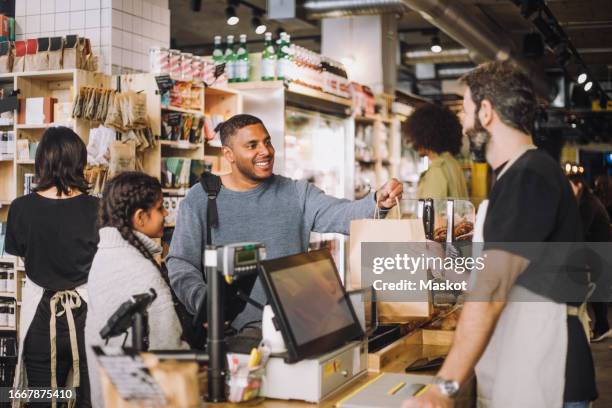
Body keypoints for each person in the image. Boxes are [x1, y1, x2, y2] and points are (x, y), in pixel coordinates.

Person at [403, 61, 596, 408]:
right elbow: (508, 278)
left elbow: (492, 291)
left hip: (549, 369)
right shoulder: (516, 175)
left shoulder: (528, 177)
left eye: (466, 111)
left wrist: (442, 389)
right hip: (529, 356)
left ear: (487, 112)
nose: (462, 126)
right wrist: (445, 266)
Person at [167, 114, 403, 330]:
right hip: (232, 336)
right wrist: (206, 304)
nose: (266, 151)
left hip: (297, 330)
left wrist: (377, 202)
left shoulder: (296, 192)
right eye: (252, 145)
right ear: (228, 154)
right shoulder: (202, 198)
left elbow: (340, 213)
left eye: (267, 142)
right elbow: (181, 263)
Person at [5, 127, 98, 407]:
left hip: (40, 316)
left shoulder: (20, 207)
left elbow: (19, 253)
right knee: (89, 396)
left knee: (42, 396)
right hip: (89, 313)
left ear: (41, 161)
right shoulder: (98, 208)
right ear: (79, 161)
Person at [85, 172, 184, 408]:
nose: (166, 214)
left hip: (110, 392)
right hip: (138, 396)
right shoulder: (140, 270)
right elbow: (168, 347)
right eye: (160, 208)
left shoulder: (105, 255)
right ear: (140, 218)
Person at [568, 173, 611, 342]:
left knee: (596, 291)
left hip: (599, 252)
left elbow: (580, 230)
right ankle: (601, 327)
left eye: (569, 186)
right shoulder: (585, 201)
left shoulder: (587, 203)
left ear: (578, 185)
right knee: (596, 291)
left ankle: (601, 328)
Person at [404, 103, 468, 199]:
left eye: (414, 137)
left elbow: (430, 212)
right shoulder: (452, 163)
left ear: (425, 136)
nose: (413, 142)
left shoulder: (437, 170)